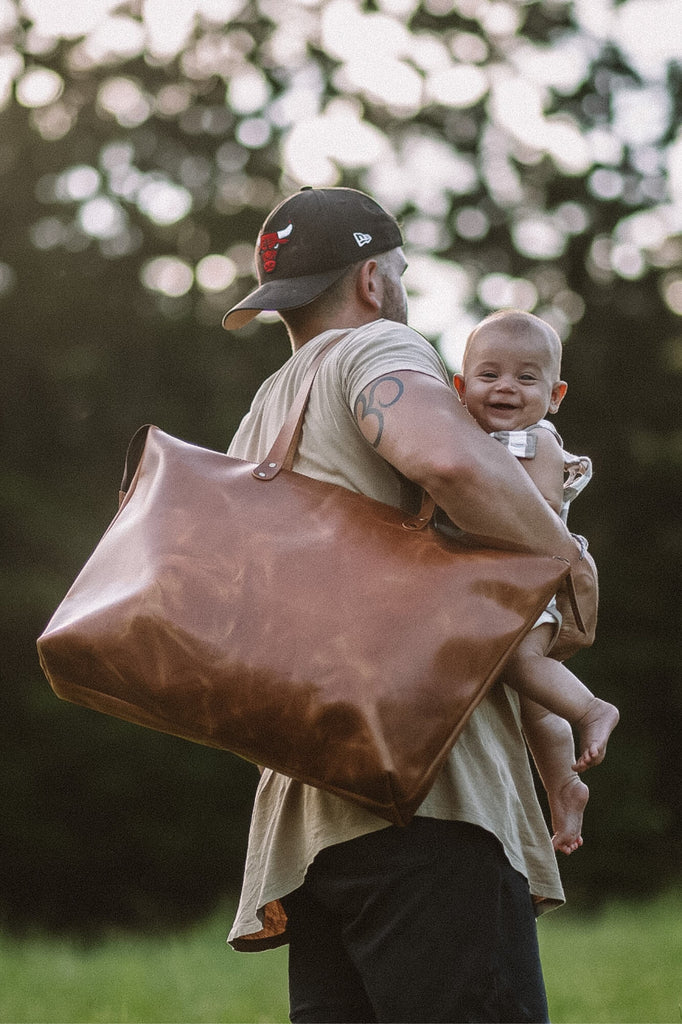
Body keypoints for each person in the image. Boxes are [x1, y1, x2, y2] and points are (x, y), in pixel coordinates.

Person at [221, 186, 595, 1024]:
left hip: (309, 826)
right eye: (398, 269)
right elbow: (453, 466)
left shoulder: (259, 419)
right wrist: (563, 560)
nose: (399, 284)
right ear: (369, 278)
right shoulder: (379, 347)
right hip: (429, 795)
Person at [452, 309, 619, 855]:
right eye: (489, 375)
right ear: (460, 387)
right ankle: (563, 787)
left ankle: (592, 708)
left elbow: (540, 507)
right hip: (505, 585)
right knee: (532, 706)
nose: (506, 387)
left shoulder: (531, 441)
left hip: (530, 582)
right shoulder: (472, 436)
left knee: (521, 664)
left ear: (554, 395)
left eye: (527, 378)